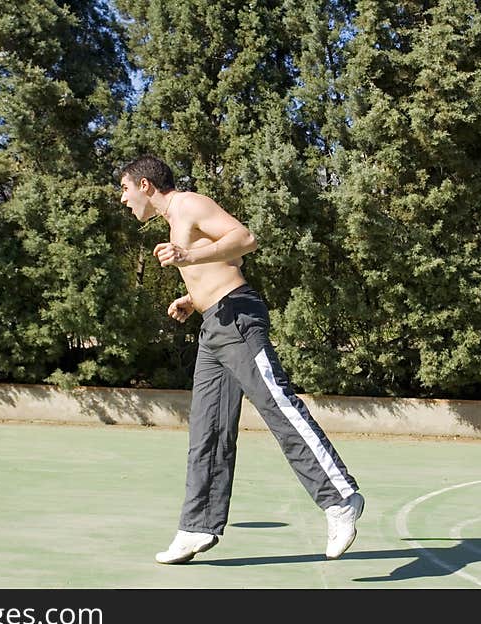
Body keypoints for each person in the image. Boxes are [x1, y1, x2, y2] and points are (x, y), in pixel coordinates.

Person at [119, 154, 363, 564]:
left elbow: (245, 239)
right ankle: (197, 526)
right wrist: (193, 299)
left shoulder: (189, 204)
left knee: (278, 406)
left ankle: (340, 499)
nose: (123, 200)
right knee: (207, 429)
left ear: (145, 185)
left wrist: (188, 259)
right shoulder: (174, 221)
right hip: (215, 322)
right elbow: (228, 260)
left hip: (237, 317)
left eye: (125, 189)